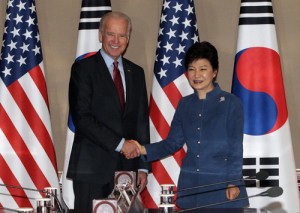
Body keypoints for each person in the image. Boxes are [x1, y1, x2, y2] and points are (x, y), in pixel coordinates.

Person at [127, 41, 249, 209]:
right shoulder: (185, 104)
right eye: (192, 69)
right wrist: (142, 149)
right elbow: (172, 143)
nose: (196, 74)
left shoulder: (231, 103)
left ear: (215, 72)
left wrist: (233, 181)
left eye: (203, 69)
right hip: (191, 187)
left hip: (222, 188)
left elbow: (235, 148)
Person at [66, 11, 150, 211]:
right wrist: (121, 144)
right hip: (91, 171)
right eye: (111, 34)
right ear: (100, 35)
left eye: (122, 35)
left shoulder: (136, 72)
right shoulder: (83, 69)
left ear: (128, 39)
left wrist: (143, 166)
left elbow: (141, 121)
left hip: (127, 171)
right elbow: (82, 118)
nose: (116, 40)